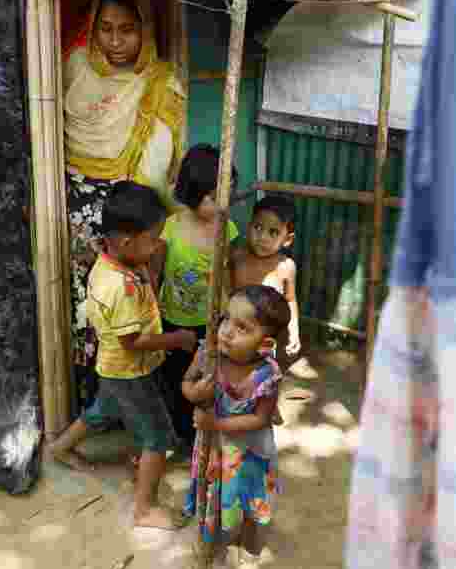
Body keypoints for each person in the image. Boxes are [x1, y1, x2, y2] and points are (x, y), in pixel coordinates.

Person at [45, 181, 197, 530]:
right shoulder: (120, 287)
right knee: (158, 437)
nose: (158, 244)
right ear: (127, 241)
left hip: (113, 366)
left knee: (103, 410)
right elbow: (133, 342)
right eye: (153, 238)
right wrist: (177, 339)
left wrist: (147, 270)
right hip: (129, 369)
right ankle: (145, 510)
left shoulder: (113, 261)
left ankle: (61, 448)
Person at [63, 0, 186, 410]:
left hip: (130, 220)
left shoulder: (159, 82)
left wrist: (134, 226)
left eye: (128, 31)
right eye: (106, 30)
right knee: (83, 311)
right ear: (92, 29)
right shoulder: (74, 68)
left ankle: (120, 410)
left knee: (127, 316)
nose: (115, 43)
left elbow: (157, 164)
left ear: (145, 30)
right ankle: (89, 405)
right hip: (72, 216)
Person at [182, 285, 288, 565]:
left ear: (265, 344)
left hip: (248, 452)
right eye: (226, 319)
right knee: (214, 496)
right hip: (213, 449)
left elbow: (260, 419)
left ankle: (249, 549)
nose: (227, 331)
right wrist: (195, 394)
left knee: (252, 503)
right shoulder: (208, 354)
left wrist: (214, 422)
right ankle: (213, 542)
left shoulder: (268, 374)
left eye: (242, 328)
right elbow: (186, 383)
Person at [156, 143, 238, 459]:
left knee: (206, 382)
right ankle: (176, 434)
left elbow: (228, 272)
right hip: (174, 320)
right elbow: (157, 273)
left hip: (211, 322)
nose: (222, 204)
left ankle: (198, 437)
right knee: (176, 381)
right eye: (213, 197)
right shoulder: (171, 227)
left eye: (226, 194)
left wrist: (229, 310)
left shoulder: (226, 229)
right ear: (192, 192)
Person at [230, 195, 300, 359]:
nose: (262, 237)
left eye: (273, 232)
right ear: (249, 227)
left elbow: (290, 300)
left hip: (266, 339)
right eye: (258, 227)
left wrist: (294, 330)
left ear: (287, 239)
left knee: (261, 374)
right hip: (235, 334)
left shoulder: (286, 267)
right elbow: (225, 290)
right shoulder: (237, 257)